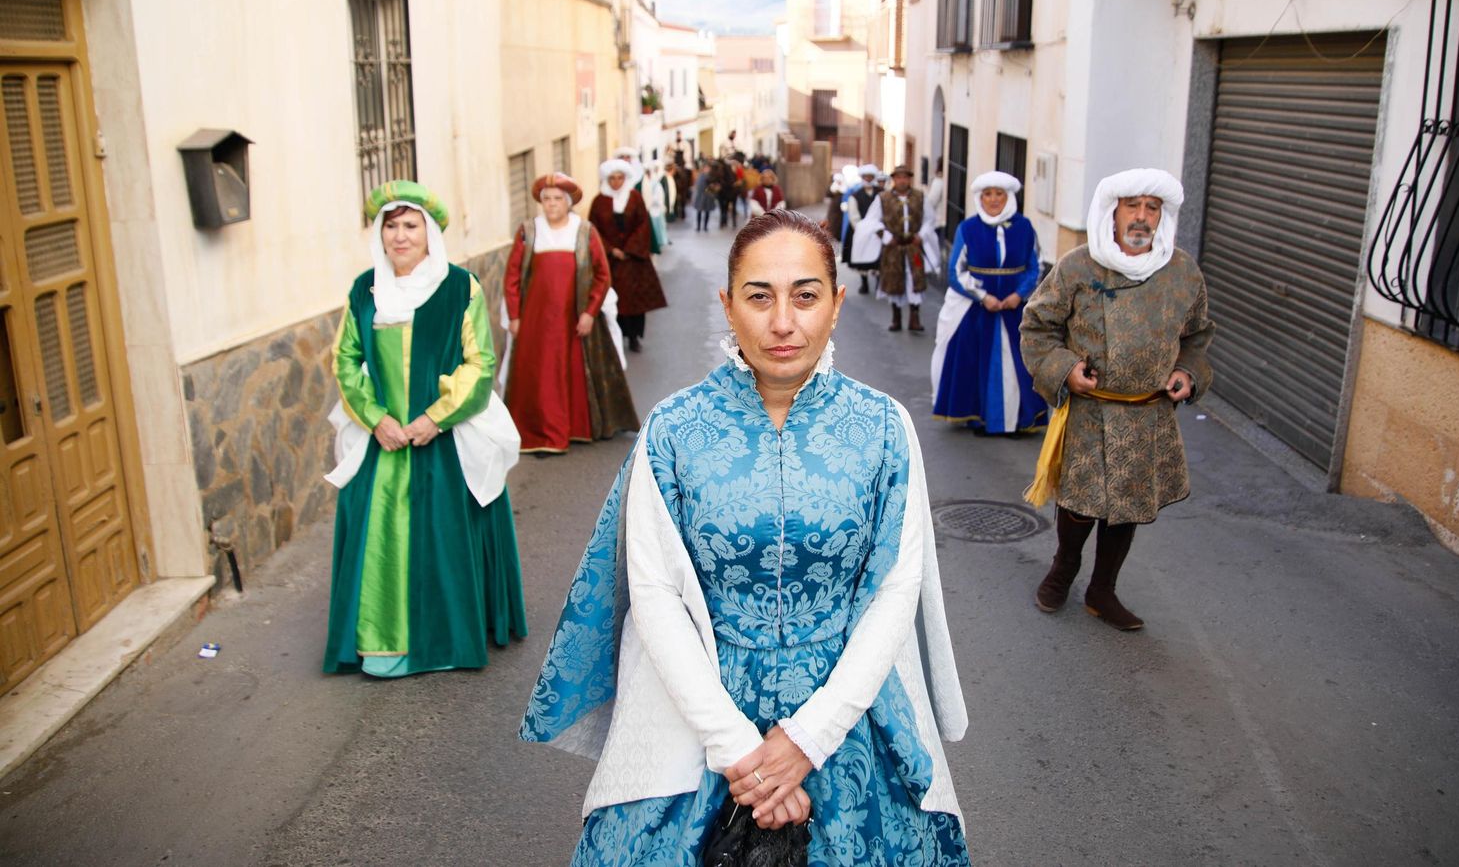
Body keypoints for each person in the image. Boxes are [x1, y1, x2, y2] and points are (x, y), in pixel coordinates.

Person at [520, 209, 972, 865]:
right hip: (701, 705)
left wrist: (809, 739)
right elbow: (654, 592)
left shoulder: (883, 428)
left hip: (847, 711)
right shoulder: (674, 430)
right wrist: (736, 749)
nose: (783, 322)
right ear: (727, 305)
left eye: (805, 296)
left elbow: (896, 590)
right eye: (759, 298)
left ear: (837, 303)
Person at [322, 180, 526, 676]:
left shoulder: (459, 287)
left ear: (429, 232)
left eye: (410, 225)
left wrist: (435, 418)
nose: (400, 236)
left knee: (443, 534)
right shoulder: (364, 290)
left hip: (442, 436)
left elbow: (480, 362)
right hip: (384, 437)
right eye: (391, 226)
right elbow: (345, 360)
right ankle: (382, 643)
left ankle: (444, 640)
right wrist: (377, 420)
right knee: (378, 532)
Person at [1020, 168, 1215, 630]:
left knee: (1127, 506)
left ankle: (1102, 590)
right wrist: (1066, 369)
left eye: (1152, 207)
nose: (1142, 216)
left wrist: (1187, 373)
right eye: (1133, 206)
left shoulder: (1183, 272)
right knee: (1080, 502)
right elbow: (1037, 327)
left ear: (1162, 216)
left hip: (1148, 415)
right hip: (1091, 410)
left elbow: (1197, 336)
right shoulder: (1079, 267)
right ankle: (1063, 569)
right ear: (1113, 212)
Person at [503, 173, 640, 455]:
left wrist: (589, 312)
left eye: (557, 199)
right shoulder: (529, 231)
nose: (552, 204)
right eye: (546, 199)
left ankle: (576, 427)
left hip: (573, 319)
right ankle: (541, 430)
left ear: (568, 202)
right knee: (540, 375)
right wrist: (515, 316)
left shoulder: (584, 231)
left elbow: (602, 276)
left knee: (573, 371)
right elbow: (512, 277)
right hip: (536, 322)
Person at [931, 171, 1049, 434]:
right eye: (988, 194)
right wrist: (983, 297)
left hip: (1014, 308)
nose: (993, 200)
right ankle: (980, 417)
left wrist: (1019, 295)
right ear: (979, 198)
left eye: (999, 194)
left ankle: (1017, 420)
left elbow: (1035, 266)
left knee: (1018, 363)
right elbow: (955, 271)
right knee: (976, 362)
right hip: (977, 310)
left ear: (1009, 198)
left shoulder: (1024, 227)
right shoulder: (968, 228)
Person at [591, 156, 668, 353]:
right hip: (610, 262)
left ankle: (634, 337)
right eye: (612, 178)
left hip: (633, 260)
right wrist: (611, 250)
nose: (616, 182)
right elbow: (594, 230)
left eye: (620, 178)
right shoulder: (599, 202)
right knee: (611, 300)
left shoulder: (635, 198)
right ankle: (613, 338)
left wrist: (629, 249)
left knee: (635, 302)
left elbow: (643, 225)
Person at [856, 164, 939, 333]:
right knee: (894, 280)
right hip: (893, 248)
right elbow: (871, 221)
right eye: (899, 177)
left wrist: (921, 235)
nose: (902, 180)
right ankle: (896, 317)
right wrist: (886, 237)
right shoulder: (883, 198)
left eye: (905, 177)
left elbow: (930, 219)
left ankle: (915, 317)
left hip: (913, 247)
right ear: (894, 179)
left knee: (915, 279)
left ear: (909, 179)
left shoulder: (920, 197)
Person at [841, 164, 881, 296]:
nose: (868, 179)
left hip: (879, 232)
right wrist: (863, 231)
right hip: (861, 232)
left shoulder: (881, 193)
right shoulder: (855, 196)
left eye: (870, 177)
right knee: (862, 257)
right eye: (866, 177)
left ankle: (879, 283)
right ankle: (864, 283)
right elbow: (854, 217)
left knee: (879, 258)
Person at [691, 158, 716, 232]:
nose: (707, 169)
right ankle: (698, 227)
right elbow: (698, 186)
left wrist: (712, 188)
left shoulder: (711, 176)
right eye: (706, 168)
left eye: (708, 168)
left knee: (707, 212)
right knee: (699, 211)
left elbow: (713, 186)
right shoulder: (701, 176)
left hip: (708, 197)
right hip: (701, 196)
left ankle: (705, 226)